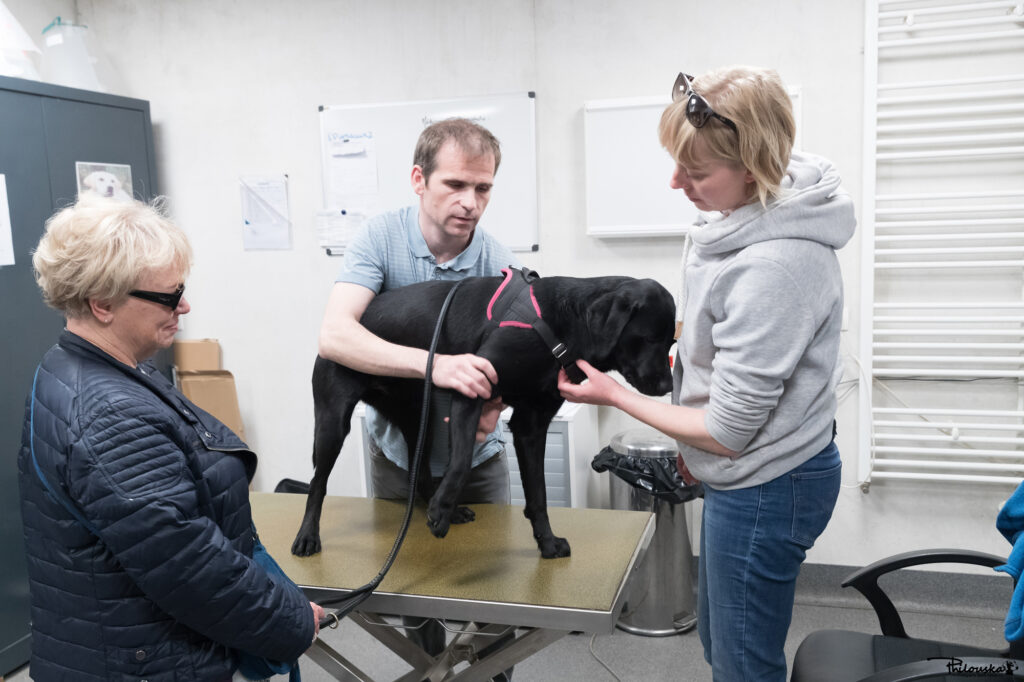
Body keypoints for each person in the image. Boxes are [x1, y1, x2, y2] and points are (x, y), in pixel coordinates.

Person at [557, 66, 855, 681]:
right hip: (748, 475)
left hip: (769, 484)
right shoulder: (741, 219)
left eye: (694, 173)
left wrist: (614, 393)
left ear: (753, 165)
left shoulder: (775, 267)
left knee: (744, 663)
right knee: (725, 645)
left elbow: (726, 432)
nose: (676, 183)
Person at [18, 196, 325, 681]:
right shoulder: (109, 414)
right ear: (102, 303)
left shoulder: (81, 366)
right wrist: (291, 622)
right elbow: (190, 566)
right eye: (168, 295)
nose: (184, 305)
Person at [319, 117, 519, 669]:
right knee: (415, 593)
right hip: (398, 456)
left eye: (483, 189)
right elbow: (335, 335)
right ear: (418, 179)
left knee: (497, 593)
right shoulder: (380, 239)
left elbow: (513, 358)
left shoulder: (496, 260)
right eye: (455, 185)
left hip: (476, 459)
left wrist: (494, 409)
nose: (470, 203)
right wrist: (438, 366)